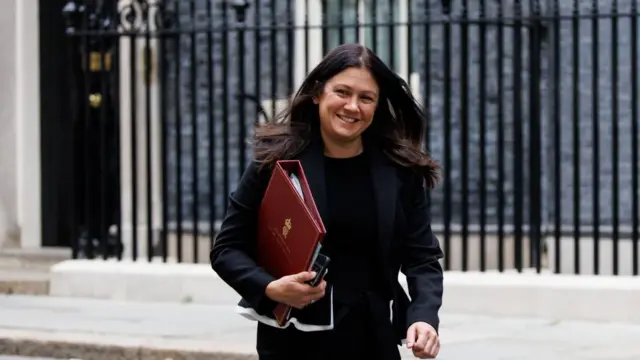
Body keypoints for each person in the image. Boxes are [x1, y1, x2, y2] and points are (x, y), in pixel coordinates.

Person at [210, 43, 444, 360]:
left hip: (373, 339)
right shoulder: (275, 163)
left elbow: (422, 257)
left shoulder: (400, 172)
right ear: (319, 93)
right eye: (342, 92)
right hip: (293, 344)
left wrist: (423, 317)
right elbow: (226, 249)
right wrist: (269, 287)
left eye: (366, 98)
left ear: (376, 106)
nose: (352, 106)